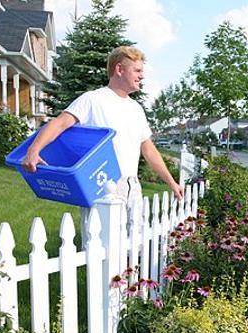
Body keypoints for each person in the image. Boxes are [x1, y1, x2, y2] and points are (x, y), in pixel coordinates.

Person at [21, 46, 183, 238]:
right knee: (101, 246)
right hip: (101, 184)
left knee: (134, 246)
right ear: (119, 69)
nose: (142, 76)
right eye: (137, 71)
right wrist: (34, 150)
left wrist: (171, 182)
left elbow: (149, 150)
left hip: (132, 185)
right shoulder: (93, 100)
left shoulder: (136, 109)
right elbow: (59, 124)